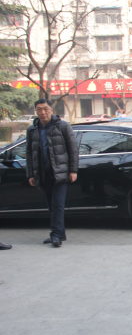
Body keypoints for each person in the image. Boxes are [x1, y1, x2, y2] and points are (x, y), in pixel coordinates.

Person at [26, 99, 78, 248]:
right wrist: (31, 174)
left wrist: (73, 170)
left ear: (51, 109)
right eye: (39, 109)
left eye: (45, 109)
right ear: (36, 111)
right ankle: (60, 232)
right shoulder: (32, 130)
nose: (43, 112)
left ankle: (55, 235)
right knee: (51, 205)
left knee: (57, 205)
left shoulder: (63, 126)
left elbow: (73, 149)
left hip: (60, 172)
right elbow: (29, 153)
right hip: (43, 173)